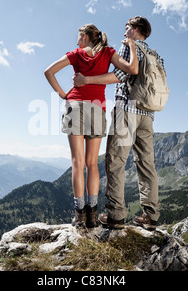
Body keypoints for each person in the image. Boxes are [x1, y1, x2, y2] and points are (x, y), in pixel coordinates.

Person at [73, 16, 165, 230]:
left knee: (115, 162)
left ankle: (115, 215)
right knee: (147, 165)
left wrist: (86, 80)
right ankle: (151, 216)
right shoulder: (156, 55)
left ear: (136, 29)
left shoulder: (129, 47)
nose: (124, 33)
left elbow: (119, 76)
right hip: (148, 115)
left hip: (127, 111)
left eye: (127, 28)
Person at [44, 24, 139, 228]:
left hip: (75, 106)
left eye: (78, 37)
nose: (76, 41)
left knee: (77, 162)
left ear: (85, 37)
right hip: (97, 108)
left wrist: (63, 94)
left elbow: (48, 72)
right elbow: (132, 69)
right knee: (92, 163)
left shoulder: (76, 54)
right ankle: (93, 215)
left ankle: (80, 216)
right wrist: (131, 45)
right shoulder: (108, 52)